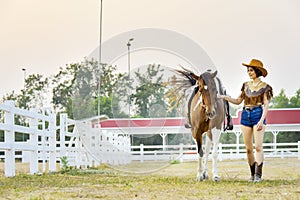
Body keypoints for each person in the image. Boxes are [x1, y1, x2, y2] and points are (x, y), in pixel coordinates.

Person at [219, 58, 273, 182]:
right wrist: (225, 97)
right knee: (248, 148)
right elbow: (238, 101)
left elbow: (266, 105)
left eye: (251, 70)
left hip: (258, 113)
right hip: (245, 114)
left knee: (258, 147)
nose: (249, 72)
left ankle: (258, 175)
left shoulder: (266, 87)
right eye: (248, 70)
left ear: (257, 71)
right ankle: (252, 174)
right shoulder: (245, 85)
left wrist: (261, 121)